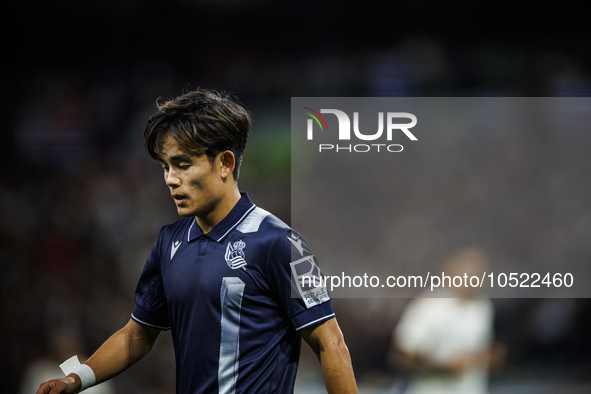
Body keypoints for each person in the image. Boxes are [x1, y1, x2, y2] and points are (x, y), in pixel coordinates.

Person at [37, 89, 358, 394]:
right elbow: (138, 334)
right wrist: (78, 378)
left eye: (183, 164)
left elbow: (330, 343)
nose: (170, 179)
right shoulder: (169, 243)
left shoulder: (279, 242)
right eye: (165, 167)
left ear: (225, 164)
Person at [389, 246, 504, 394]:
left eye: (481, 270)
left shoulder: (482, 306)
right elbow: (400, 355)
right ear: (451, 267)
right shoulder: (429, 305)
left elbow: (478, 354)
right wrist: (444, 367)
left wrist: (488, 357)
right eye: (469, 268)